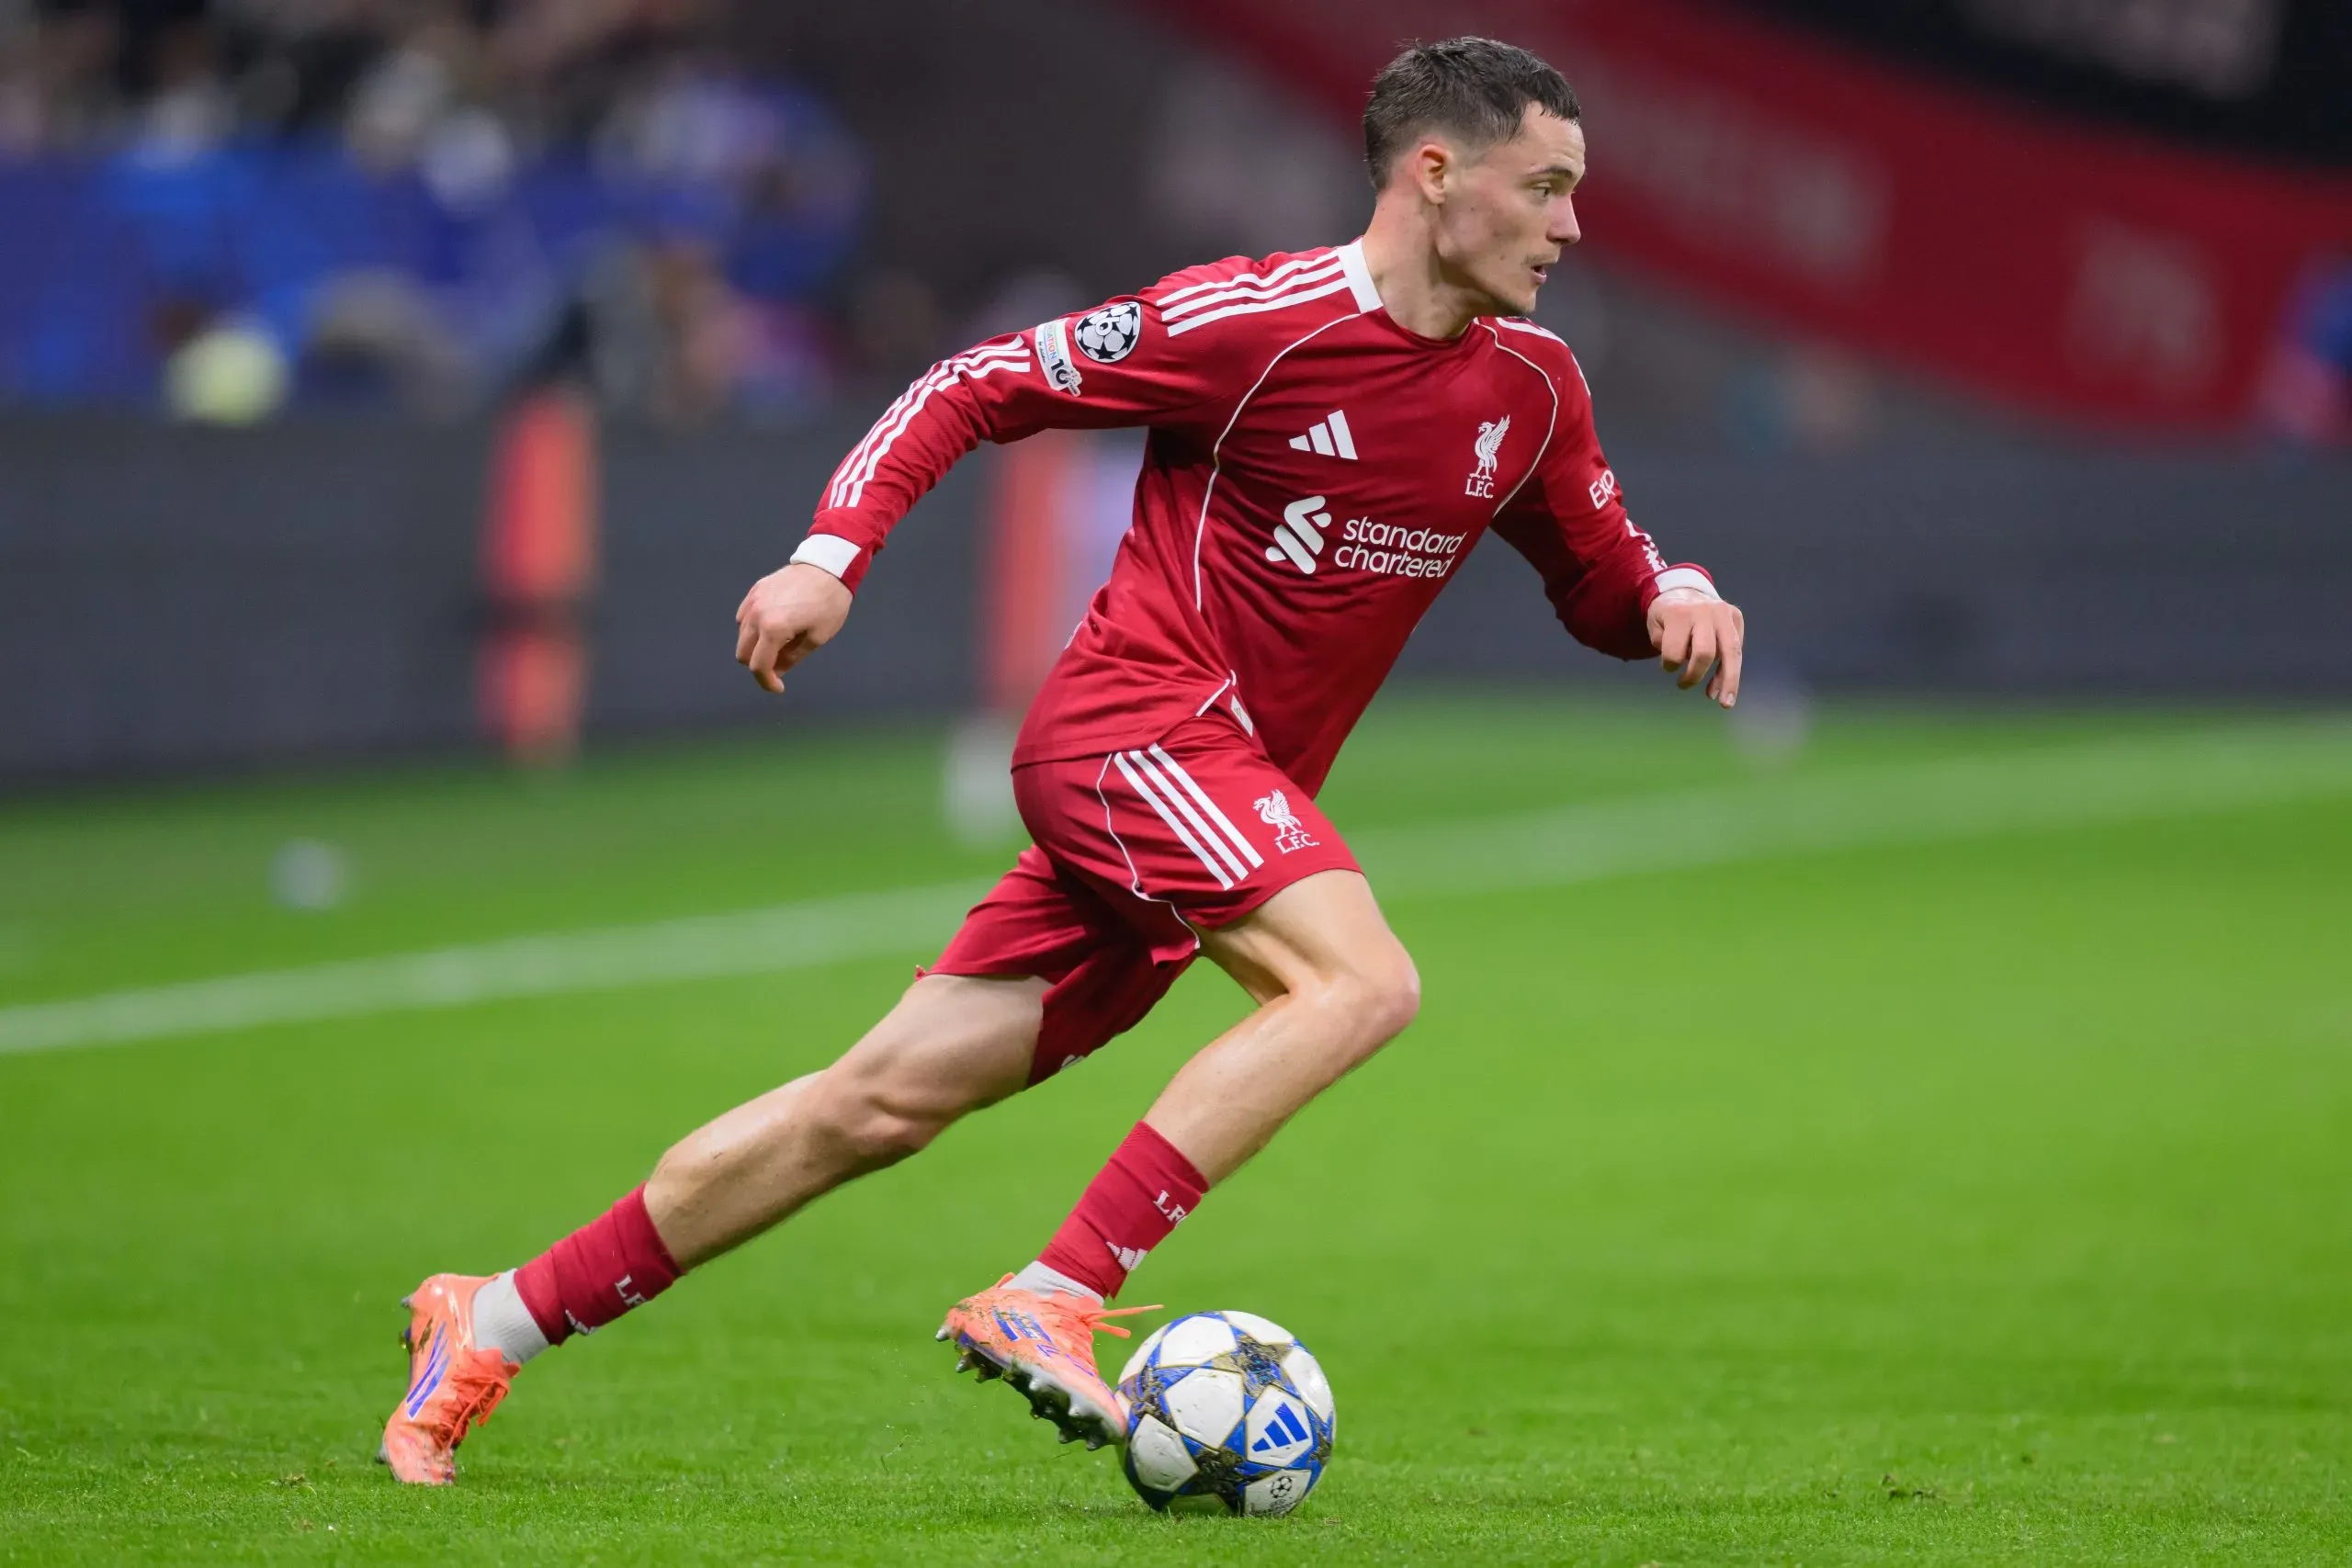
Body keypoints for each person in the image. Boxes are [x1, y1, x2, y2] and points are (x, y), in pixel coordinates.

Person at [380, 36, 1745, 1484]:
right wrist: (830, 555)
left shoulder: (1533, 386)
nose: (1570, 225)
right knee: (1361, 982)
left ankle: (490, 1317)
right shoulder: (1252, 323)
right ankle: (1057, 1290)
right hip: (1136, 729)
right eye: (1544, 186)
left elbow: (1600, 580)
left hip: (1209, 801)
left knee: (873, 1103)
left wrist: (1672, 592)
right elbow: (973, 383)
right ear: (1435, 174)